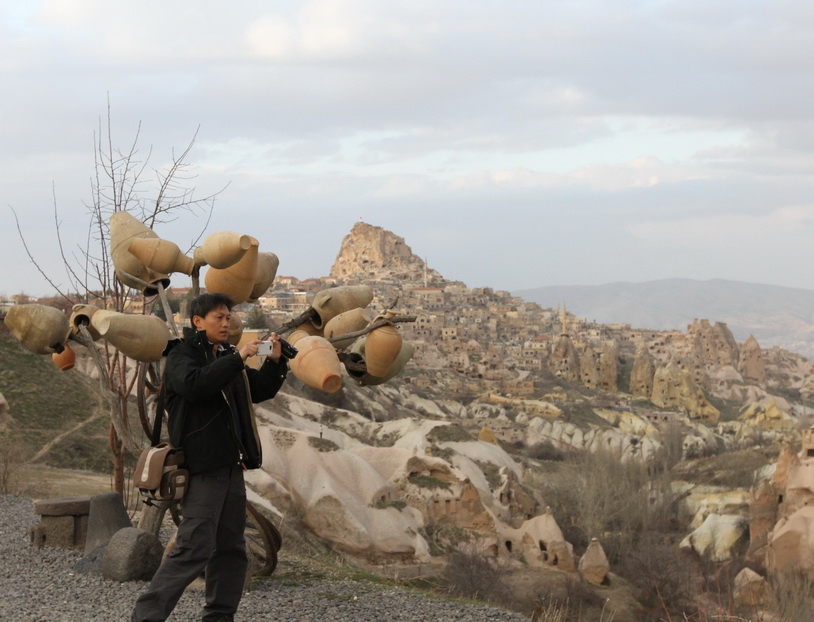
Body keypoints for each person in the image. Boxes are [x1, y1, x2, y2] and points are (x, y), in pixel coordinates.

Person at [133, 292, 288, 622]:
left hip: (230, 468)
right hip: (200, 469)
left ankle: (219, 616)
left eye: (228, 316)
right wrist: (238, 358)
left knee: (231, 550)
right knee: (193, 548)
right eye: (219, 317)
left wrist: (275, 363)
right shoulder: (181, 355)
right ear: (198, 321)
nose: (226, 322)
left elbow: (259, 390)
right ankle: (146, 617)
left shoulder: (227, 354)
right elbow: (195, 385)